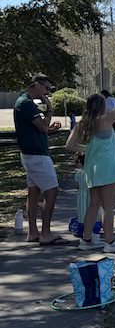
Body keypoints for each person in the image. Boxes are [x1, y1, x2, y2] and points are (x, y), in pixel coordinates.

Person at [66, 90, 115, 252]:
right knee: (108, 207)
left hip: (91, 169)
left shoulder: (82, 124)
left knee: (94, 205)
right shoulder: (106, 119)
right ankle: (110, 242)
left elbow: (69, 146)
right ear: (101, 106)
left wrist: (88, 149)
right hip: (108, 169)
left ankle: (87, 239)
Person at [13, 74, 63, 245]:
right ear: (36, 85)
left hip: (30, 154)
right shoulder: (26, 103)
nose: (48, 92)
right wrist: (49, 109)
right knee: (52, 191)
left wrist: (49, 128)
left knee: (33, 193)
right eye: (46, 88)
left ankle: (33, 232)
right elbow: (42, 127)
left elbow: (41, 128)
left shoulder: (24, 102)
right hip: (37, 155)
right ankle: (45, 233)